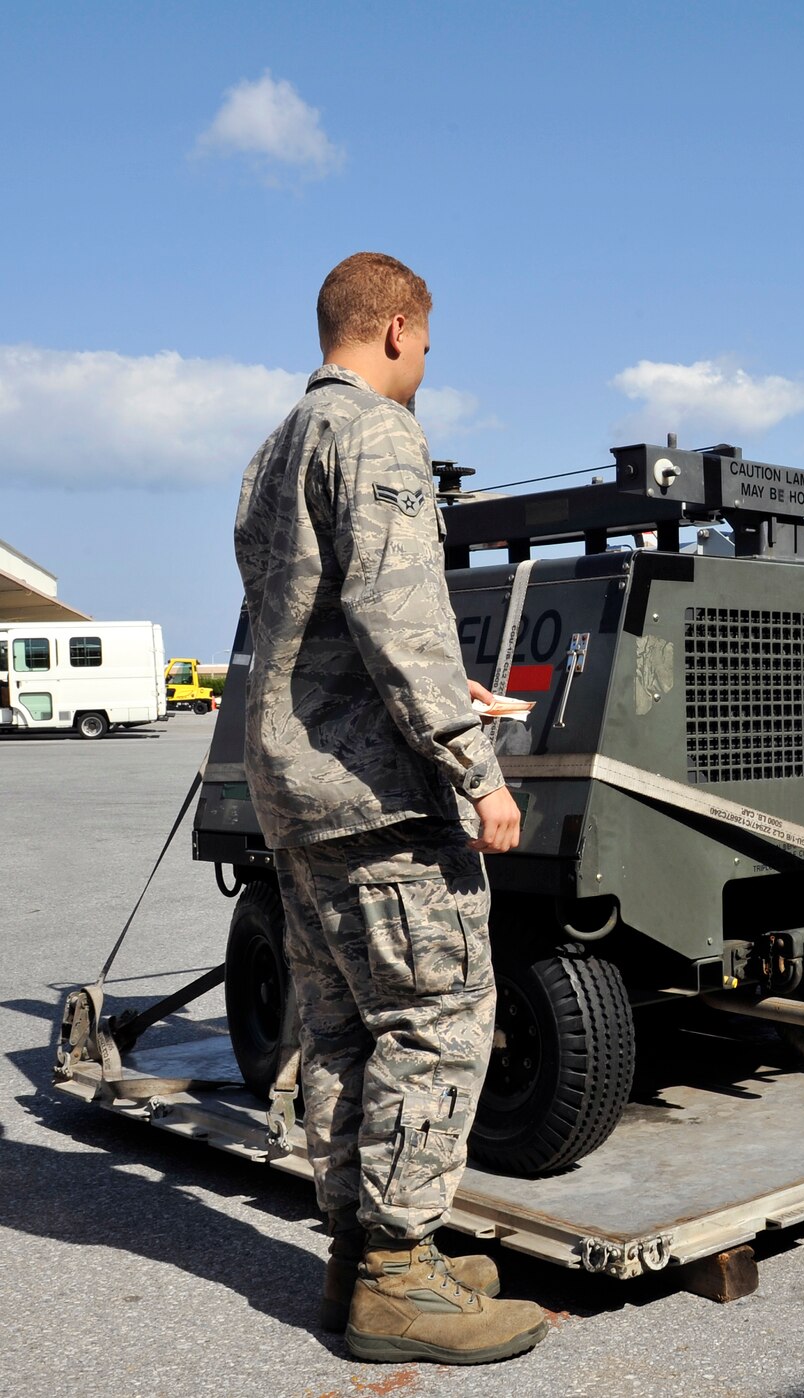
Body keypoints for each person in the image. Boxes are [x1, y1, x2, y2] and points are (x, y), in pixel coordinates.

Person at [235, 252, 548, 1363]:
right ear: (401, 329)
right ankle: (399, 1273)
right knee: (437, 1017)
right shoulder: (374, 432)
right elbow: (394, 610)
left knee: (338, 1027)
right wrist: (477, 767)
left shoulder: (275, 449)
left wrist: (427, 682)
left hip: (297, 788)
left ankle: (360, 1251)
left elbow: (314, 620)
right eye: (429, 344)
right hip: (376, 797)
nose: (427, 363)